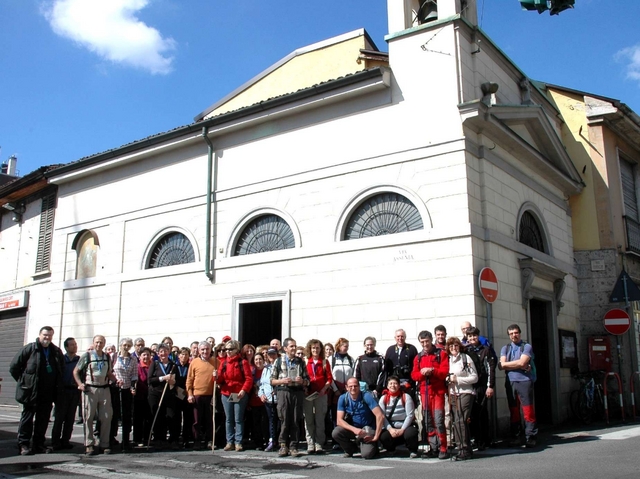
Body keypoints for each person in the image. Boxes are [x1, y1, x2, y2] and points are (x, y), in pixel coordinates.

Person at [10, 326, 65, 456]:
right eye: (45, 335)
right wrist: (24, 381)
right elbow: (14, 367)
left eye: (50, 336)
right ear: (40, 335)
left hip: (48, 392)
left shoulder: (55, 351)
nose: (47, 338)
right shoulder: (30, 349)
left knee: (43, 419)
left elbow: (61, 369)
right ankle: (23, 444)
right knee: (27, 419)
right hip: (31, 392)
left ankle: (38, 444)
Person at [74, 334, 116, 455]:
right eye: (97, 342)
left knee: (106, 417)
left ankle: (104, 443)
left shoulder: (107, 356)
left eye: (101, 342)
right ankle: (89, 444)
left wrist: (116, 380)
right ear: (94, 343)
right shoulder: (87, 356)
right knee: (88, 417)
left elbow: (109, 373)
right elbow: (76, 371)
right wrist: (80, 384)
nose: (99, 344)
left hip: (104, 388)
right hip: (90, 389)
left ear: (104, 344)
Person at [411, 330, 449, 459]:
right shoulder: (418, 357)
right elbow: (414, 375)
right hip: (425, 392)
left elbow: (444, 372)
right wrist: (422, 373)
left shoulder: (441, 354)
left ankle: (443, 447)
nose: (425, 344)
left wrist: (432, 371)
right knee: (428, 421)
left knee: (438, 420)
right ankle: (433, 447)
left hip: (438, 392)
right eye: (422, 342)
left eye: (427, 341)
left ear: (431, 340)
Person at [499, 324, 538, 448]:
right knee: (514, 411)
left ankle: (530, 437)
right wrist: (519, 364)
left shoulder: (526, 346)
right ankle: (516, 436)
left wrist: (509, 364)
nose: (513, 335)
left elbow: (522, 362)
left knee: (528, 410)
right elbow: (501, 365)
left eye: (515, 333)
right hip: (510, 382)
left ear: (520, 333)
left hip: (525, 381)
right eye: (511, 334)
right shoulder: (505, 348)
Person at [270, 337, 310, 457]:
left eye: (295, 346)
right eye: (291, 346)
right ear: (285, 348)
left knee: (295, 419)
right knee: (284, 418)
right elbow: (271, 380)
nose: (294, 348)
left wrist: (302, 381)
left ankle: (294, 446)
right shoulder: (278, 361)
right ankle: (283, 445)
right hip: (283, 391)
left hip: (297, 392)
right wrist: (281, 381)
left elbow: (308, 380)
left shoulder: (300, 362)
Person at [332, 377, 384, 459]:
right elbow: (339, 421)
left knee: (367, 455)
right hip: (354, 428)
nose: (353, 388)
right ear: (346, 387)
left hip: (368, 428)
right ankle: (351, 449)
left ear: (359, 386)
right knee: (336, 432)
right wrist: (354, 430)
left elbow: (380, 415)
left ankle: (373, 446)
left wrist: (376, 436)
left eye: (355, 386)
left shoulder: (366, 396)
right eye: (350, 386)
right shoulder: (343, 398)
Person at [218, 339, 253, 452]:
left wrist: (244, 390)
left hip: (239, 394)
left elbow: (248, 378)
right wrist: (216, 376)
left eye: (230, 349)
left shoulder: (243, 363)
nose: (227, 351)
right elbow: (219, 379)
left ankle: (238, 442)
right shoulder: (223, 363)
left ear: (236, 350)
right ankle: (230, 441)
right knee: (229, 419)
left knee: (238, 419)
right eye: (226, 349)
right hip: (226, 393)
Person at [446, 336, 477, 461]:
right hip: (453, 393)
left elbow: (474, 377)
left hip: (465, 392)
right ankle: (463, 448)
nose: (454, 348)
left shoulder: (466, 358)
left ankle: (464, 449)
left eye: (456, 346)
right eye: (451, 346)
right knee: (457, 420)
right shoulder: (448, 360)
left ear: (460, 347)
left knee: (461, 420)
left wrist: (458, 379)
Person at [466, 326, 496, 450]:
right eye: (470, 336)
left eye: (474, 335)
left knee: (482, 413)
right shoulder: (466, 350)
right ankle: (476, 439)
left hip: (482, 386)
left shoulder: (486, 350)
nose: (472, 338)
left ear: (478, 336)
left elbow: (491, 369)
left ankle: (485, 440)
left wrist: (490, 387)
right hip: (470, 386)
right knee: (472, 414)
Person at [378, 375, 419, 458]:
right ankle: (391, 449)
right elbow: (382, 416)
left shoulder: (406, 397)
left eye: (395, 383)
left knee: (411, 433)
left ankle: (412, 450)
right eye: (391, 383)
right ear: (387, 386)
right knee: (383, 436)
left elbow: (410, 415)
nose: (393, 386)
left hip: (404, 426)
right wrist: (390, 429)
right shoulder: (383, 398)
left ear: (399, 385)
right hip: (391, 426)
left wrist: (402, 429)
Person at [186, 341, 218, 449]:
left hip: (210, 395)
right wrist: (190, 394)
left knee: (209, 419)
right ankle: (197, 440)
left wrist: (217, 376)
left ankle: (209, 440)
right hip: (197, 395)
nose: (205, 351)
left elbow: (220, 380)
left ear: (210, 350)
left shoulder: (216, 362)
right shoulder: (194, 362)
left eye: (207, 349)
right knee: (196, 420)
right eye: (203, 349)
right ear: (199, 351)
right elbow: (189, 380)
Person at [304, 339, 332, 454]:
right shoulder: (306, 361)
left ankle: (319, 443)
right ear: (310, 349)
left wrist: (323, 389)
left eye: (318, 348)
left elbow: (329, 379)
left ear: (321, 349)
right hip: (308, 394)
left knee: (320, 419)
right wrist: (304, 388)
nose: (315, 350)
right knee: (309, 419)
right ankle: (310, 443)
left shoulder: (324, 362)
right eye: (313, 348)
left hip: (321, 394)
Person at [52, 337, 80, 451]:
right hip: (63, 391)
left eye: (75, 344)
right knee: (59, 418)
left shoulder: (79, 360)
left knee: (70, 418)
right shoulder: (61, 359)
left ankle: (65, 440)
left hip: (74, 391)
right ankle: (55, 442)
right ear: (66, 347)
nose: (75, 346)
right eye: (72, 345)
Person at [148, 343, 178, 449]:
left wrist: (172, 381)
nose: (163, 353)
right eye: (161, 351)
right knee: (158, 416)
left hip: (168, 394)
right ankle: (159, 439)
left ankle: (172, 439)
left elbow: (176, 380)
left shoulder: (173, 364)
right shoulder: (155, 364)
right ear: (158, 353)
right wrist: (163, 378)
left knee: (171, 416)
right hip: (156, 393)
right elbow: (150, 380)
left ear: (169, 352)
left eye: (165, 351)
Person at [112, 337, 138, 451]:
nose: (126, 347)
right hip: (115, 388)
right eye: (124, 345)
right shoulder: (114, 357)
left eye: (128, 345)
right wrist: (115, 380)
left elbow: (134, 374)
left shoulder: (133, 359)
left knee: (126, 415)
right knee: (114, 414)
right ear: (120, 345)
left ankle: (126, 441)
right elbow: (110, 371)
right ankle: (111, 438)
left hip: (127, 389)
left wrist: (133, 386)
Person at [384, 329, 418, 397]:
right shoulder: (390, 349)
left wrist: (412, 381)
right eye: (398, 336)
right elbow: (386, 368)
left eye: (402, 336)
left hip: (408, 382)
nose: (400, 338)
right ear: (395, 338)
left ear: (405, 337)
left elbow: (416, 365)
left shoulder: (411, 349)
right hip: (394, 382)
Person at [259, 347, 279, 452]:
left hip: (278, 399)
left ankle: (279, 441)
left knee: (279, 421)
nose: (271, 356)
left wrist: (277, 389)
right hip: (267, 399)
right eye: (270, 354)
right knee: (271, 421)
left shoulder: (280, 366)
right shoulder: (265, 368)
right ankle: (272, 441)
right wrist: (261, 394)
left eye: (273, 354)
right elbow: (262, 384)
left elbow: (281, 381)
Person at [247, 352, 268, 449]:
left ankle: (267, 441)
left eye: (260, 359)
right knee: (256, 423)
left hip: (265, 401)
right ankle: (258, 442)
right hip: (254, 401)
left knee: (265, 422)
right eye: (256, 360)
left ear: (263, 360)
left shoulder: (267, 370)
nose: (258, 361)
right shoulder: (252, 372)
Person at [133, 347, 153, 446]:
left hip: (150, 396)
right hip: (140, 396)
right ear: (140, 357)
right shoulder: (137, 367)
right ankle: (137, 439)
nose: (146, 357)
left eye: (148, 354)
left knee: (149, 418)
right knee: (138, 418)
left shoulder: (153, 366)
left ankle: (147, 438)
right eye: (144, 355)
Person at [175, 347, 194, 448]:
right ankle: (176, 437)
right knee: (177, 417)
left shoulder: (190, 366)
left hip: (187, 393)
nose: (184, 356)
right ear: (178, 356)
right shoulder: (174, 366)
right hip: (176, 393)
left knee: (188, 417)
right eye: (182, 354)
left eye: (186, 354)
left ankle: (186, 438)